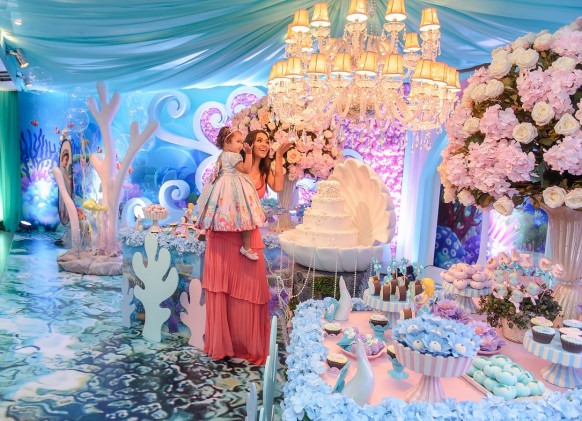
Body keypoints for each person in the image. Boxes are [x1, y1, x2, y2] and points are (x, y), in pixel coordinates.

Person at [202, 129, 291, 365]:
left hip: (247, 233)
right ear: (247, 144)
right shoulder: (236, 165)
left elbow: (279, 186)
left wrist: (278, 156)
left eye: (267, 141)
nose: (264, 144)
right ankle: (223, 345)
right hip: (225, 233)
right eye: (259, 140)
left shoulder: (263, 170)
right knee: (223, 288)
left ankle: (247, 345)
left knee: (251, 290)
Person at [195, 127, 266, 260]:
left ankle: (204, 228)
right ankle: (246, 246)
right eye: (238, 142)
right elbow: (246, 169)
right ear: (227, 142)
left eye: (241, 142)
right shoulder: (234, 156)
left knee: (213, 207)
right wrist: (249, 153)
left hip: (220, 185)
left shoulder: (221, 156)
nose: (241, 145)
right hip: (233, 184)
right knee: (246, 214)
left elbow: (217, 171)